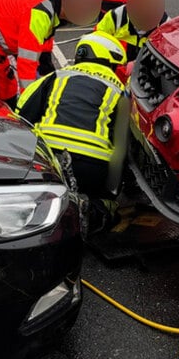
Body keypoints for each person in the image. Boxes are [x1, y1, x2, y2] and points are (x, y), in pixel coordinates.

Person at [16, 32, 129, 232]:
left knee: (35, 196)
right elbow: (124, 144)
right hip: (93, 167)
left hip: (49, 160)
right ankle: (96, 209)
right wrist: (112, 191)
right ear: (111, 62)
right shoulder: (119, 91)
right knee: (105, 203)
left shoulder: (54, 78)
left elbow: (21, 115)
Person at [95, 0, 167, 83]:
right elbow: (95, 41)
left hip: (147, 79)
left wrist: (139, 63)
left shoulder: (165, 26)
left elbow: (169, 59)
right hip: (114, 75)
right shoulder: (115, 17)